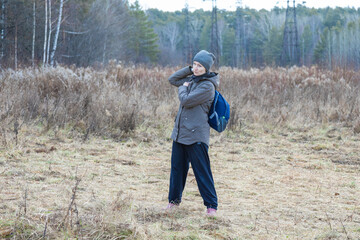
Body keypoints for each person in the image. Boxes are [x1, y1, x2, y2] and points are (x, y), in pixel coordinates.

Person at [166, 50, 219, 217]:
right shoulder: (192, 79)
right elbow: (172, 79)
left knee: (202, 171)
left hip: (196, 136)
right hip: (180, 133)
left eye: (200, 66)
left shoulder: (207, 86)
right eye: (195, 64)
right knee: (177, 170)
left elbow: (186, 101)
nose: (196, 68)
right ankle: (173, 202)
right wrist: (189, 70)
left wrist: (183, 88)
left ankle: (211, 206)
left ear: (207, 68)